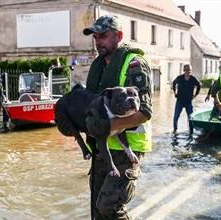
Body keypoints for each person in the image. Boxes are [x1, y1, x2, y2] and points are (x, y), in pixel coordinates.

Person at [82, 15, 152, 219]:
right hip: (102, 148)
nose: (98, 42)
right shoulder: (100, 67)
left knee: (109, 207)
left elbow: (144, 112)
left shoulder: (134, 63)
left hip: (127, 149)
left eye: (103, 36)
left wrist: (105, 126)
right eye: (95, 37)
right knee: (96, 208)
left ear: (118, 36)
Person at [172, 64, 201, 134]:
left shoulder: (193, 79)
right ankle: (175, 130)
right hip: (180, 100)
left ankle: (191, 131)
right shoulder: (180, 78)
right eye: (186, 70)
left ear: (191, 71)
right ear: (184, 70)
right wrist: (175, 92)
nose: (188, 71)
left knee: (190, 117)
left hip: (188, 101)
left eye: (189, 70)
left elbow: (199, 85)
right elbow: (174, 83)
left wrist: (195, 95)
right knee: (176, 116)